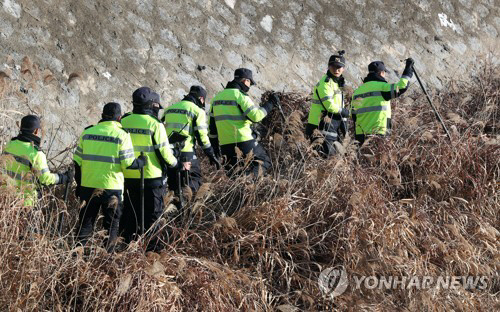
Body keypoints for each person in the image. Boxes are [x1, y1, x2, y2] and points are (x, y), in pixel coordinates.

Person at [120, 87, 188, 248]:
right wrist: (177, 164)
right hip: (152, 177)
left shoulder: (124, 121)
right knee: (153, 217)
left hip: (127, 176)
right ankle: (152, 251)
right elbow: (164, 153)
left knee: (130, 215)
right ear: (151, 105)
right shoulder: (154, 124)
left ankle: (127, 248)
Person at [73, 103, 146, 252]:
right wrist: (141, 162)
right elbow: (128, 163)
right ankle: (108, 259)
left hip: (88, 186)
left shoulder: (87, 133)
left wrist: (79, 185)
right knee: (111, 226)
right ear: (119, 117)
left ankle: (76, 258)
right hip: (111, 188)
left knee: (85, 225)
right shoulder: (122, 135)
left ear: (102, 115)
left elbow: (77, 161)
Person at [209, 68, 277, 176]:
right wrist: (270, 103)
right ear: (246, 81)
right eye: (250, 83)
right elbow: (256, 117)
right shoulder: (240, 96)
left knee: (234, 174)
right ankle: (248, 181)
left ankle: (240, 189)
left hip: (225, 145)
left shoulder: (216, 99)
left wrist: (215, 149)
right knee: (264, 161)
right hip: (244, 141)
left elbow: (212, 129)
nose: (249, 87)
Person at [162, 85, 220, 193]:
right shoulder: (197, 111)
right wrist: (211, 154)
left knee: (174, 188)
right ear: (201, 99)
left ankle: (175, 208)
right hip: (187, 154)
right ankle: (188, 208)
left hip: (169, 154)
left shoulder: (170, 108)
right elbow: (202, 137)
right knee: (191, 186)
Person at [2, 115, 69, 206]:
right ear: (36, 131)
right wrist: (63, 178)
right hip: (25, 202)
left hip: (5, 198)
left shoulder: (9, 144)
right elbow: (45, 179)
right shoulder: (36, 153)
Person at [351, 58, 414, 145]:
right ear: (381, 73)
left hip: (360, 135)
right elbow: (402, 86)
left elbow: (353, 114)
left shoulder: (357, 91)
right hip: (378, 132)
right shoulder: (382, 87)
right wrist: (408, 69)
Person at [306, 51, 349, 156]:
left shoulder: (337, 83)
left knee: (331, 157)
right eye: (334, 66)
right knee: (324, 157)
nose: (337, 69)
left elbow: (339, 103)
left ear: (343, 69)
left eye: (339, 67)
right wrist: (345, 112)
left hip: (331, 124)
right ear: (329, 66)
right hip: (319, 125)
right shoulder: (326, 83)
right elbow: (329, 105)